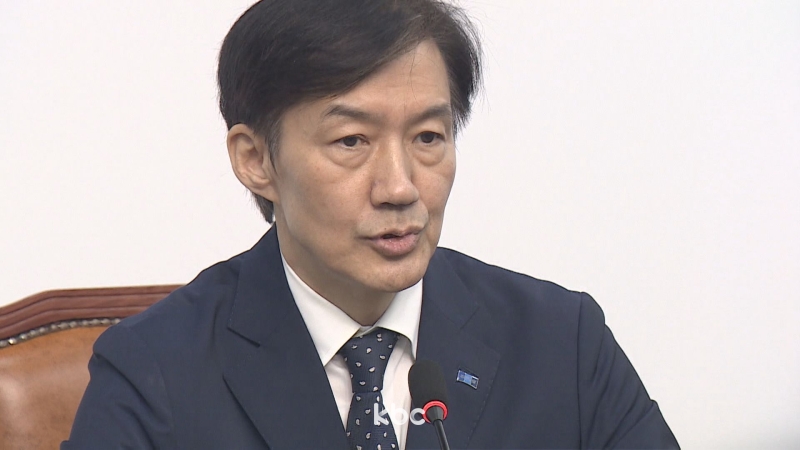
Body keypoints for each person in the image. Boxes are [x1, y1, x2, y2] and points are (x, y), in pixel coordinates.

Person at [64, 0, 679, 448]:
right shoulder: (153, 372)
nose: (400, 187)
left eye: (428, 137)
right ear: (256, 160)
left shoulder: (562, 343)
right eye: (352, 141)